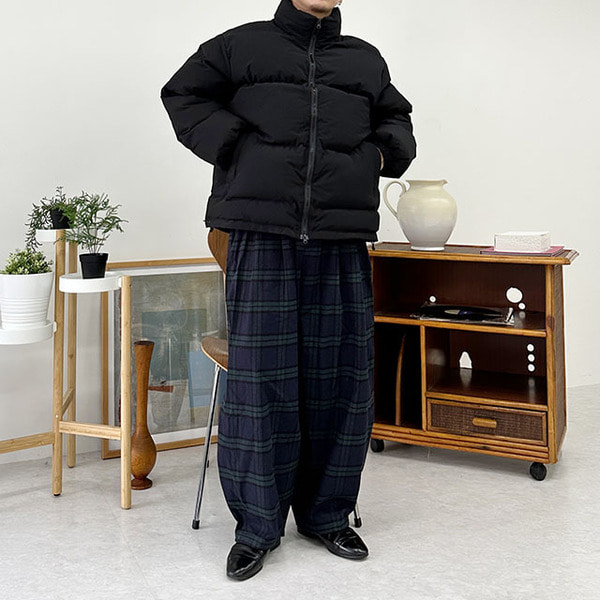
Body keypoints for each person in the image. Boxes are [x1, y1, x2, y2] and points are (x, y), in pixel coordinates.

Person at [161, 0, 416, 581]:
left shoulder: (364, 59)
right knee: (260, 384)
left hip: (342, 235)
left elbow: (397, 122)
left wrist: (377, 155)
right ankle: (256, 527)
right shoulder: (241, 44)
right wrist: (236, 145)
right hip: (260, 231)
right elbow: (182, 94)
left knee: (340, 381)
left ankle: (327, 516)